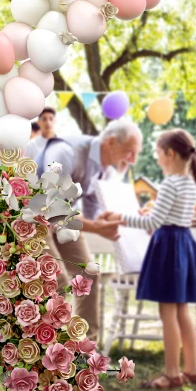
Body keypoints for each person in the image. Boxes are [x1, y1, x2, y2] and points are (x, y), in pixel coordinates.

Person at [123, 129, 196, 390]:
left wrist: (122, 218)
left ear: (170, 154)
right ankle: (192, 369)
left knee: (168, 312)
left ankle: (172, 373)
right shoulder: (188, 183)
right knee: (182, 310)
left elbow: (153, 221)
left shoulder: (170, 183)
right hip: (183, 243)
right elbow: (165, 217)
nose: (158, 159)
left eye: (159, 154)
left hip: (168, 247)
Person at [37, 119, 140, 339]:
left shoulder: (104, 169)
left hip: (62, 221)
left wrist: (116, 220)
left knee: (88, 273)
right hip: (32, 217)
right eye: (130, 152)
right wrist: (96, 226)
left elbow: (93, 214)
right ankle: (52, 350)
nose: (133, 160)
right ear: (111, 142)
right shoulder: (64, 152)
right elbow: (51, 207)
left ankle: (84, 347)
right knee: (56, 280)